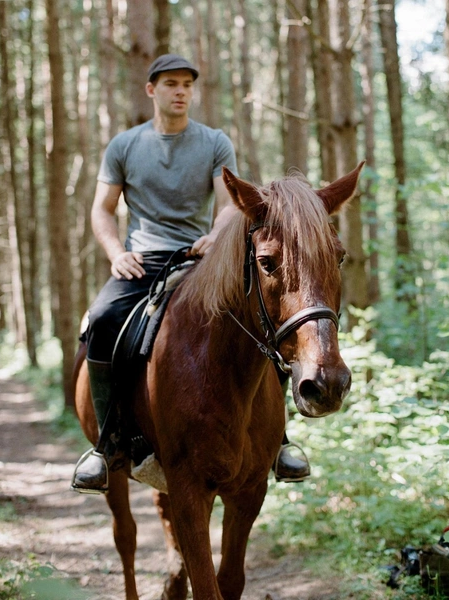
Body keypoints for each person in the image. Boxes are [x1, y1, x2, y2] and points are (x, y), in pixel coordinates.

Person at [71, 54, 310, 494]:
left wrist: (217, 235)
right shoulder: (124, 146)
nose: (180, 91)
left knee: (264, 318)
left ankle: (279, 441)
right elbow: (102, 210)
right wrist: (115, 252)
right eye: (170, 84)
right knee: (103, 319)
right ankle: (107, 446)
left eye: (186, 84)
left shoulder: (214, 142)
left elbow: (227, 204)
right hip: (140, 261)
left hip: (200, 259)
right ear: (152, 90)